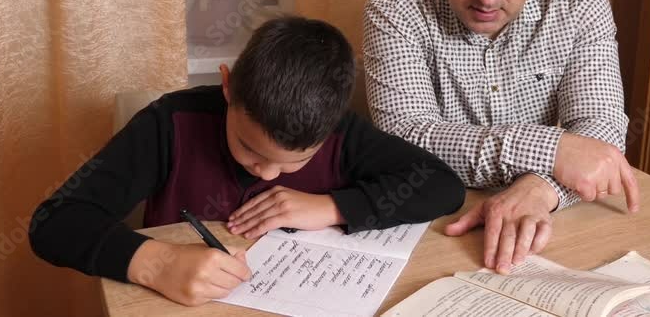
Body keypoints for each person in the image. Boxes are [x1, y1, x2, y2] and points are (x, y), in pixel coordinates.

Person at [29, 16, 465, 306]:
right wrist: (155, 262)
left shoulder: (342, 132)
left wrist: (333, 207)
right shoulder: (169, 124)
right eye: (250, 149)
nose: (268, 173)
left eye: (295, 161)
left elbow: (442, 185)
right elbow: (55, 221)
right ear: (227, 86)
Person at [363, 0, 640, 275]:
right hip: (433, 222)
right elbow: (405, 136)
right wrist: (552, 151)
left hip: (548, 227)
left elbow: (602, 132)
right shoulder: (397, 0)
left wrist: (541, 189)